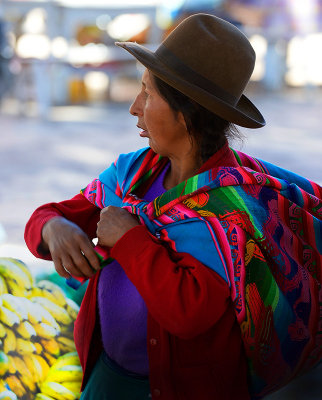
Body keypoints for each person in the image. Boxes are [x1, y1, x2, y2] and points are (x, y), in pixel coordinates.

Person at [24, 14, 322, 400]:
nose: (134, 107)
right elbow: (52, 215)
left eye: (148, 94)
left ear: (189, 113)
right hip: (109, 377)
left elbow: (189, 313)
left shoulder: (231, 210)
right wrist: (53, 227)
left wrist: (129, 238)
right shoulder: (133, 174)